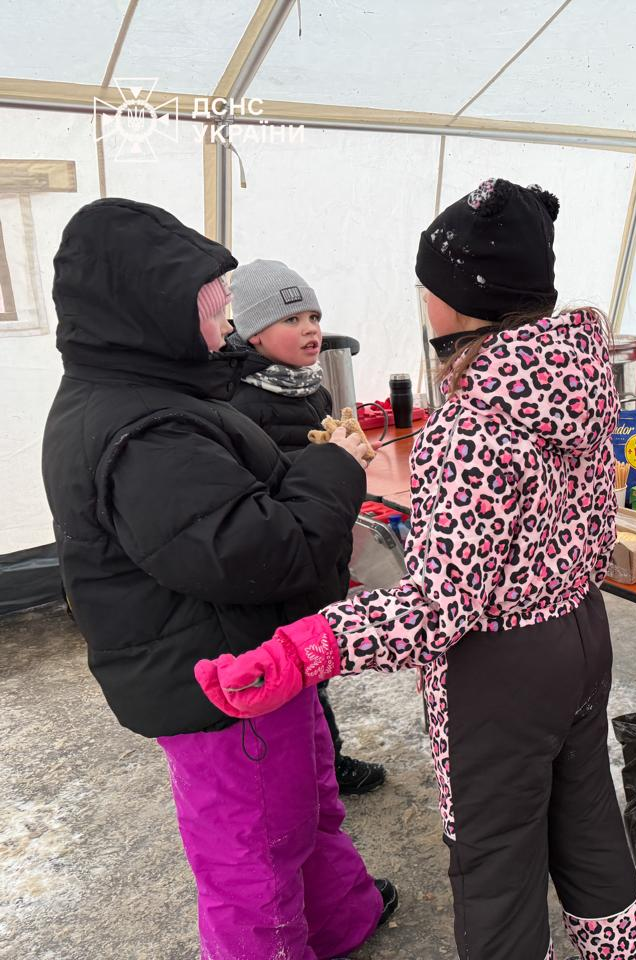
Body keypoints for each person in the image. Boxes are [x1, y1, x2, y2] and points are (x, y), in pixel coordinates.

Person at [197, 179, 636, 959]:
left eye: (426, 287)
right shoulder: (573, 379)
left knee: (496, 866)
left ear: (455, 300)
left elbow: (441, 607)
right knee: (587, 823)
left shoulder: (476, 422)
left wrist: (307, 646)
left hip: (501, 670)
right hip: (581, 633)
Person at [41, 198, 395, 958]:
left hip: (252, 656)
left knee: (307, 804)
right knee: (253, 855)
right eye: (210, 314)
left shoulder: (158, 391)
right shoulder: (144, 430)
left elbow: (233, 496)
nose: (223, 331)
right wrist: (333, 467)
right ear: (150, 313)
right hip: (215, 681)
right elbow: (258, 551)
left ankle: (341, 918)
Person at [228, 258, 388, 795]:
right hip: (283, 546)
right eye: (292, 319)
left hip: (319, 538)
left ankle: (324, 760)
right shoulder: (238, 401)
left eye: (314, 316)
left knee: (313, 662)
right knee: (294, 666)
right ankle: (319, 767)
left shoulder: (309, 388)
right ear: (253, 331)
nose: (311, 329)